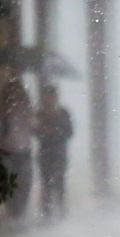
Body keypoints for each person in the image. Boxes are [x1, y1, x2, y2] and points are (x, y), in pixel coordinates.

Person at [35, 84, 73, 219]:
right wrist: (43, 130)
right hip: (45, 153)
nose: (49, 99)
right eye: (47, 96)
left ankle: (61, 209)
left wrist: (56, 131)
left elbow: (70, 132)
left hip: (59, 153)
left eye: (52, 95)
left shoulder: (63, 113)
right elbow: (35, 132)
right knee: (46, 183)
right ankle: (46, 212)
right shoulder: (40, 114)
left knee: (60, 182)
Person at [0, 80, 34, 220]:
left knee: (24, 183)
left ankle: (20, 213)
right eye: (13, 93)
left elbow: (34, 126)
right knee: (10, 186)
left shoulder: (26, 111)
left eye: (18, 93)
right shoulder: (2, 113)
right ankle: (13, 213)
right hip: (8, 152)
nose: (16, 97)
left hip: (24, 152)